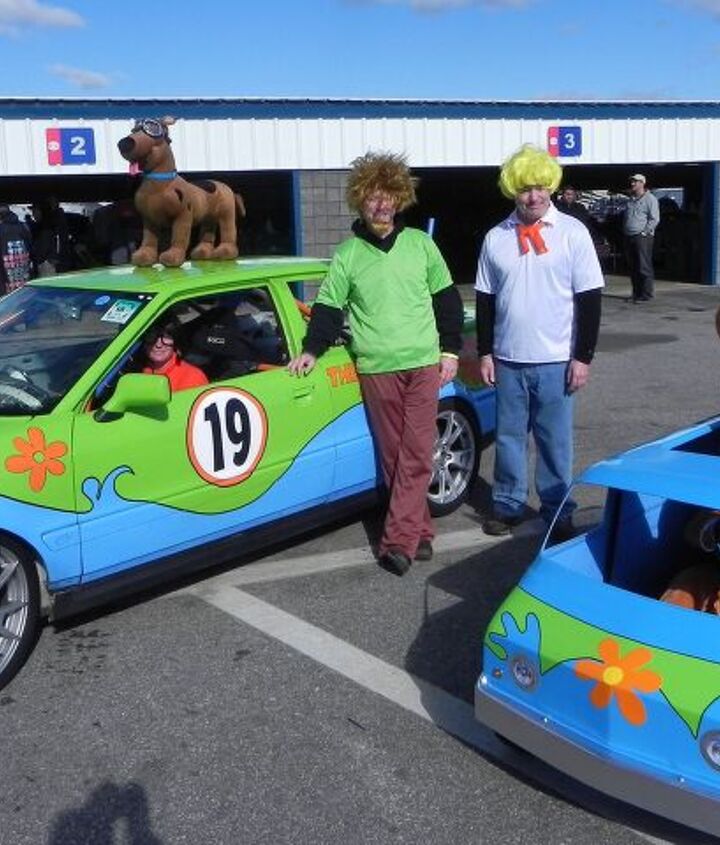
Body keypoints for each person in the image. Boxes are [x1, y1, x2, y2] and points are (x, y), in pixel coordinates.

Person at [288, 150, 464, 576]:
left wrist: (451, 350)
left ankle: (398, 542)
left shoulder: (422, 244)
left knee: (418, 450)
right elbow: (328, 308)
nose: (380, 204)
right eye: (371, 197)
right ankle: (419, 530)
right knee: (392, 454)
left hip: (422, 363)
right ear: (359, 201)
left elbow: (447, 300)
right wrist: (312, 349)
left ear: (400, 198)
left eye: (388, 196)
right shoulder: (348, 254)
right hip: (376, 367)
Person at [475, 144, 604, 538]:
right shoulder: (495, 237)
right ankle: (508, 504)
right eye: (523, 188)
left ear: (550, 186)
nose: (532, 196)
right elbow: (484, 299)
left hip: (556, 360)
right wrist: (485, 352)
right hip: (509, 358)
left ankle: (558, 510)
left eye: (539, 187)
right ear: (512, 189)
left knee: (554, 443)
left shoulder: (572, 232)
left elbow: (590, 299)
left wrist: (582, 357)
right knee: (510, 439)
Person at [141, 319, 208, 391]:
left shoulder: (193, 376)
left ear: (176, 342)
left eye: (166, 337)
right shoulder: (136, 370)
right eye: (152, 336)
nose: (158, 345)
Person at [623, 173, 660, 302]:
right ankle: (636, 293)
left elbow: (654, 218)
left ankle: (646, 294)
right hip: (629, 236)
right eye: (632, 181)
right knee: (633, 266)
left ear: (642, 183)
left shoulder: (650, 199)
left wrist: (644, 232)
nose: (633, 184)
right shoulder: (630, 200)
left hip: (642, 237)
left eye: (636, 181)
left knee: (644, 266)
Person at [0, 204, 32, 293]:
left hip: (6, 273)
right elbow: (30, 246)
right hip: (23, 269)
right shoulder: (23, 226)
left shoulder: (1, 229)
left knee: (8, 297)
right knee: (23, 293)